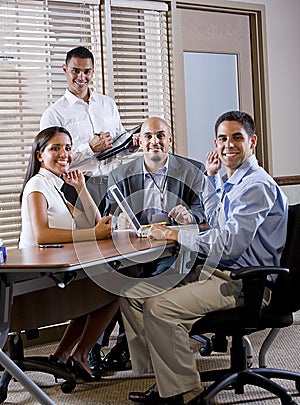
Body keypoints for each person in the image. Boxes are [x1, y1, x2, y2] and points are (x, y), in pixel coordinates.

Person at [120, 110, 289, 405]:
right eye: (222, 138)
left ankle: (186, 394)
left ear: (252, 141)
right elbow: (214, 222)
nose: (228, 145)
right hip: (217, 271)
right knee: (132, 295)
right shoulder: (232, 180)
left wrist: (172, 233)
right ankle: (164, 379)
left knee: (159, 308)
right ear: (215, 142)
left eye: (237, 137)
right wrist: (211, 178)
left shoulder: (255, 185)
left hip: (246, 282)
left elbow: (228, 244)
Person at [88, 116, 208, 374]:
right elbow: (108, 210)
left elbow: (204, 207)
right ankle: (116, 356)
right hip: (134, 247)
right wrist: (119, 219)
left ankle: (156, 359)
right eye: (149, 136)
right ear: (140, 141)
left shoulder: (193, 170)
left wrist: (191, 215)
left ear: (170, 139)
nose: (155, 141)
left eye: (161, 136)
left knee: (148, 287)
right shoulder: (120, 174)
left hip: (174, 250)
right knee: (106, 280)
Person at [19, 126, 119, 382]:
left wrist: (82, 187)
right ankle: (81, 355)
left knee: (109, 284)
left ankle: (64, 356)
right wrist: (94, 234)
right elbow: (43, 234)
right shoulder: (37, 185)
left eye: (67, 148)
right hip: (36, 280)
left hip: (57, 270)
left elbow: (97, 224)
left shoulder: (56, 187)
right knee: (114, 286)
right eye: (55, 148)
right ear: (40, 155)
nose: (64, 153)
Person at [40, 46, 137, 210]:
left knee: (115, 234)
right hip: (75, 187)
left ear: (93, 71)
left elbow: (118, 144)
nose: (81, 77)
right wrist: (90, 148)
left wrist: (130, 146)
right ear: (65, 69)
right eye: (75, 71)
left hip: (111, 184)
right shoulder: (53, 114)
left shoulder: (108, 104)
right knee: (83, 235)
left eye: (86, 71)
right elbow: (53, 162)